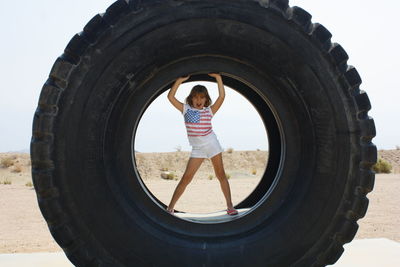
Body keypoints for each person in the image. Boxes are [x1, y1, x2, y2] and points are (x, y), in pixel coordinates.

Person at [166, 73, 238, 216]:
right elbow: (170, 97)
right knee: (186, 178)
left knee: (220, 175)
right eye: (196, 97)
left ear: (206, 99)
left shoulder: (209, 111)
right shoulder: (185, 109)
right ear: (191, 98)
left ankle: (230, 206)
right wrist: (179, 80)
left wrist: (218, 77)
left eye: (202, 97)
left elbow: (222, 97)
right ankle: (170, 208)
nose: (199, 100)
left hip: (212, 144)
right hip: (197, 149)